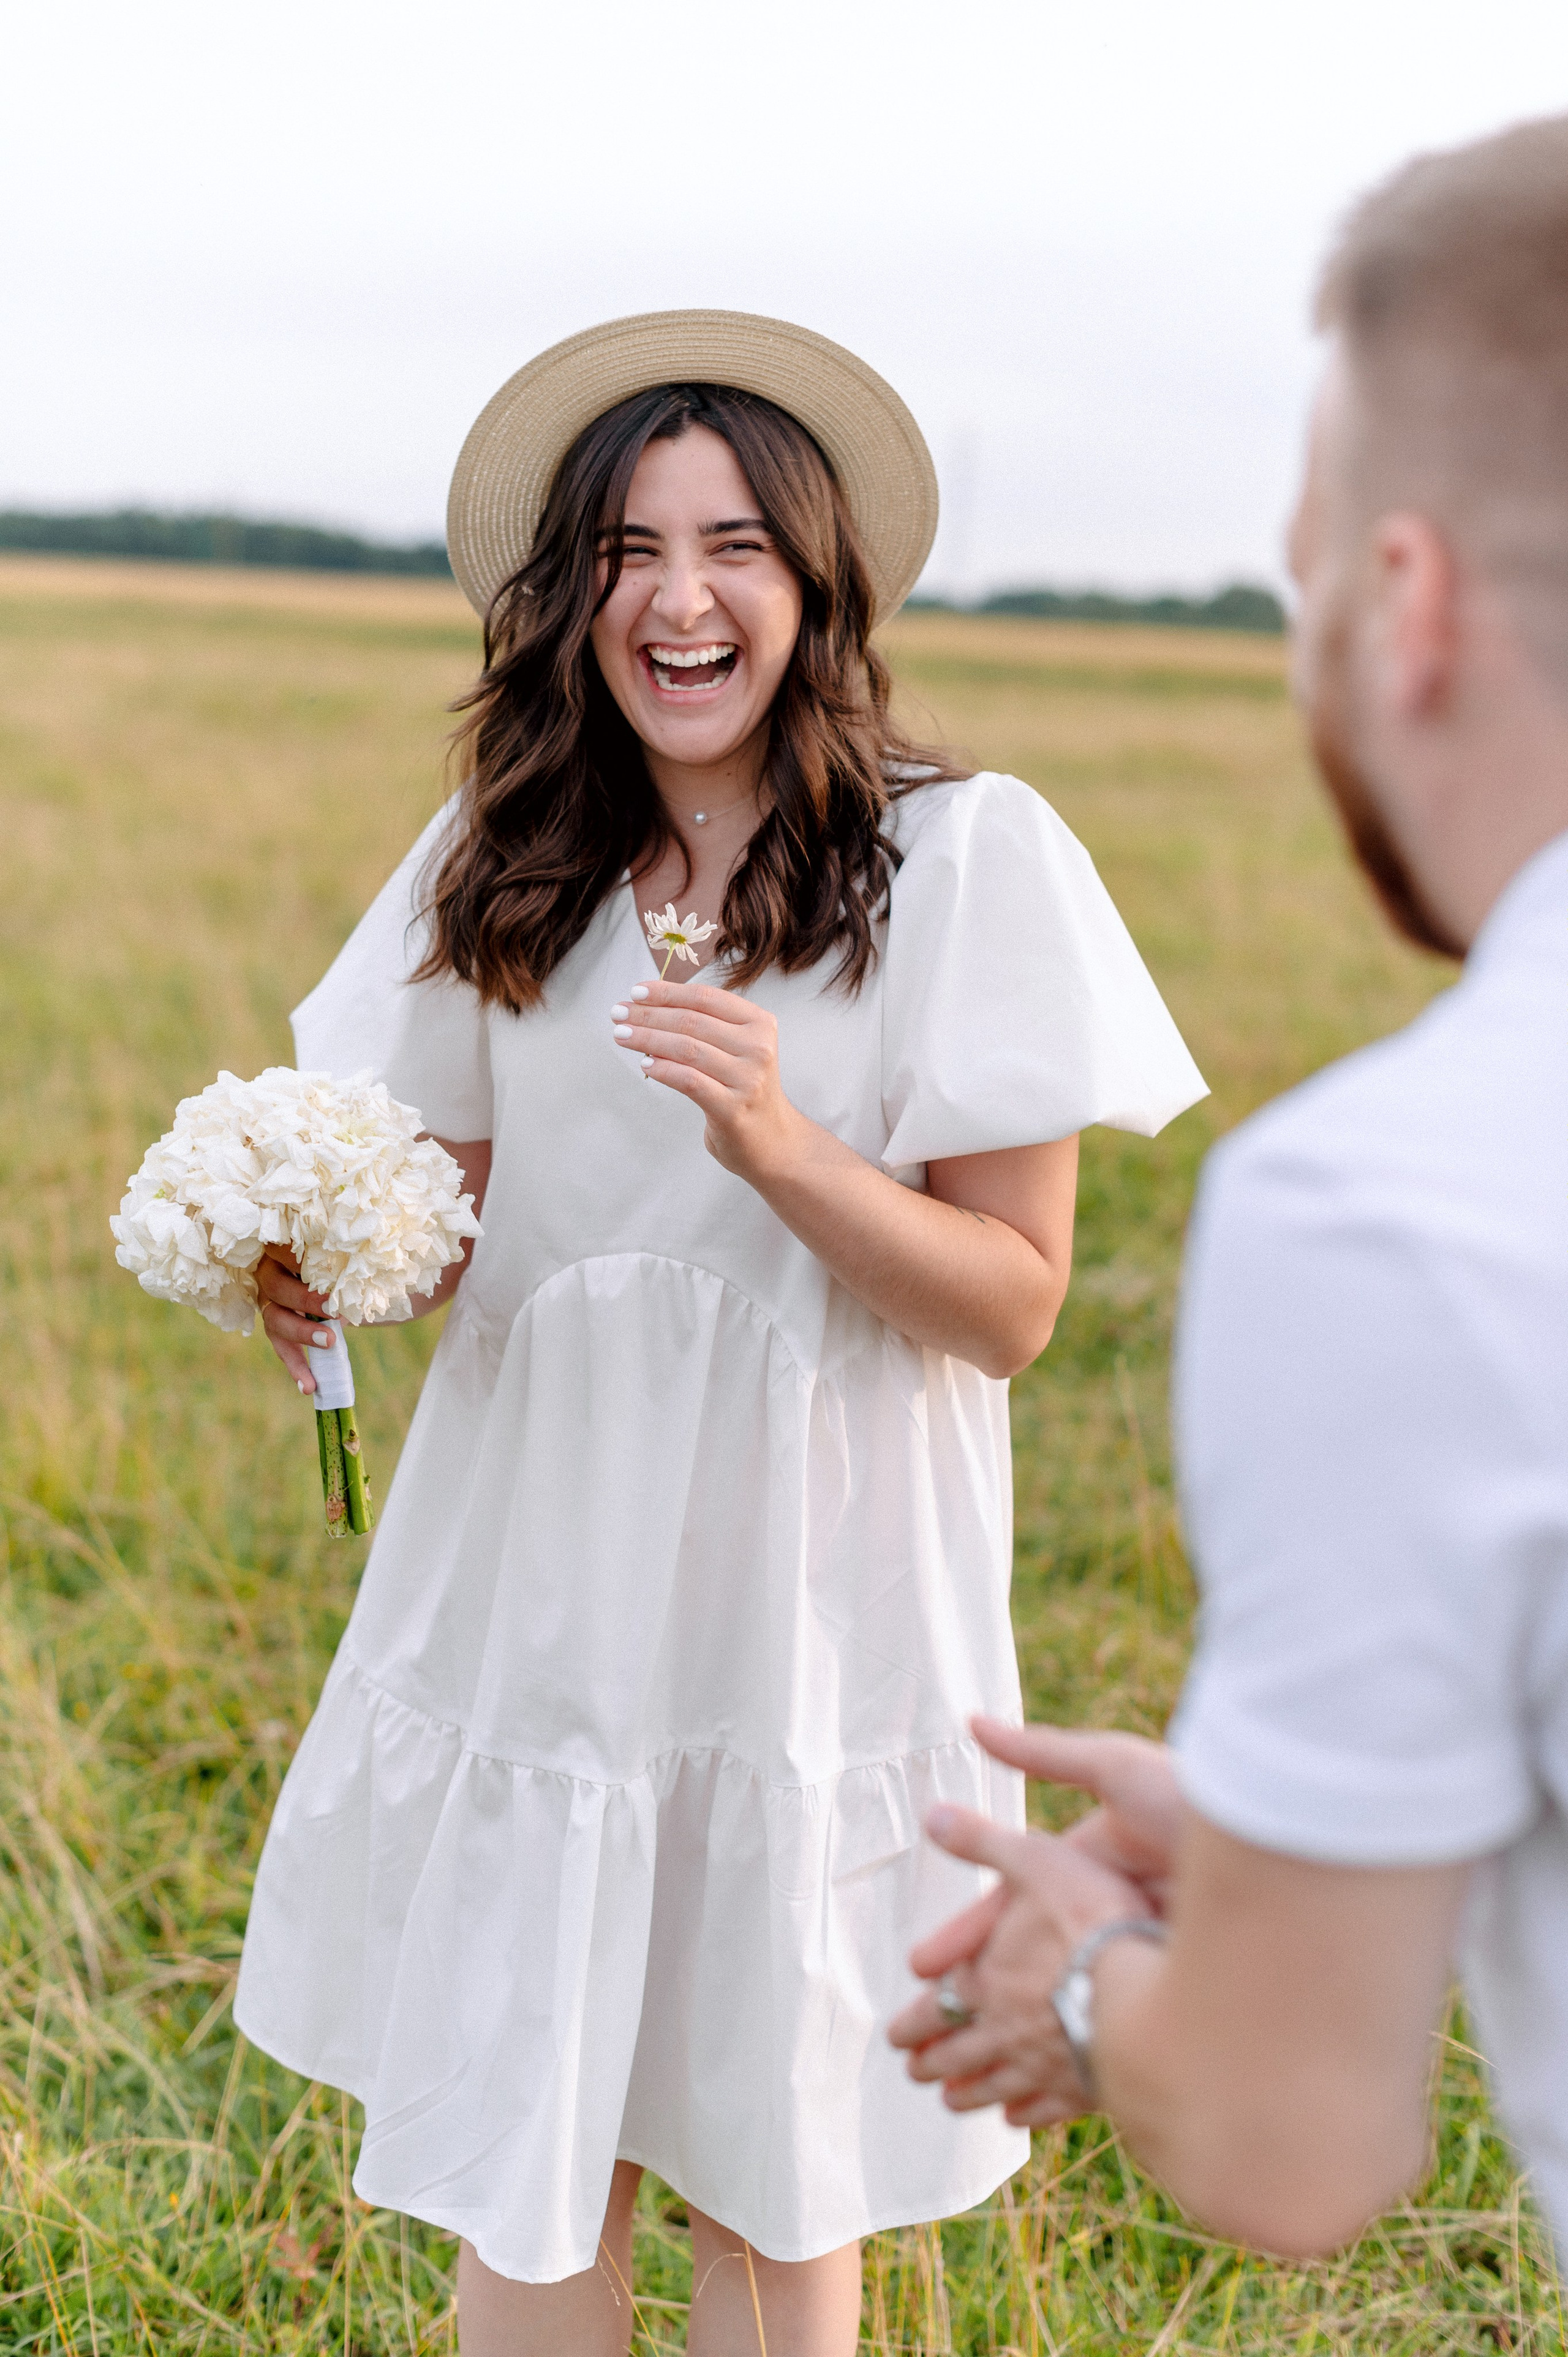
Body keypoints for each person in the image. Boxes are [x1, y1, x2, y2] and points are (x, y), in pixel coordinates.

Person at [231, 309, 1205, 2354]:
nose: (681, 600)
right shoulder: (508, 853)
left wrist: (781, 1150)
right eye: (628, 554)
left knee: (773, 2148)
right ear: (568, 599)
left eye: (736, 547)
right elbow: (448, 1223)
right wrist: (323, 1264)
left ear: (817, 585)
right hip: (545, 1582)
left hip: (811, 1606)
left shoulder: (961, 858)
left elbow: (1013, 1305)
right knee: (537, 2112)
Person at [889, 115, 1568, 2265]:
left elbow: (1292, 2141)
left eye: (1303, 575)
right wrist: (1291, 1839)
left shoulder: (1400, 1202)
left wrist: (1086, 1972)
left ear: (1407, 605)